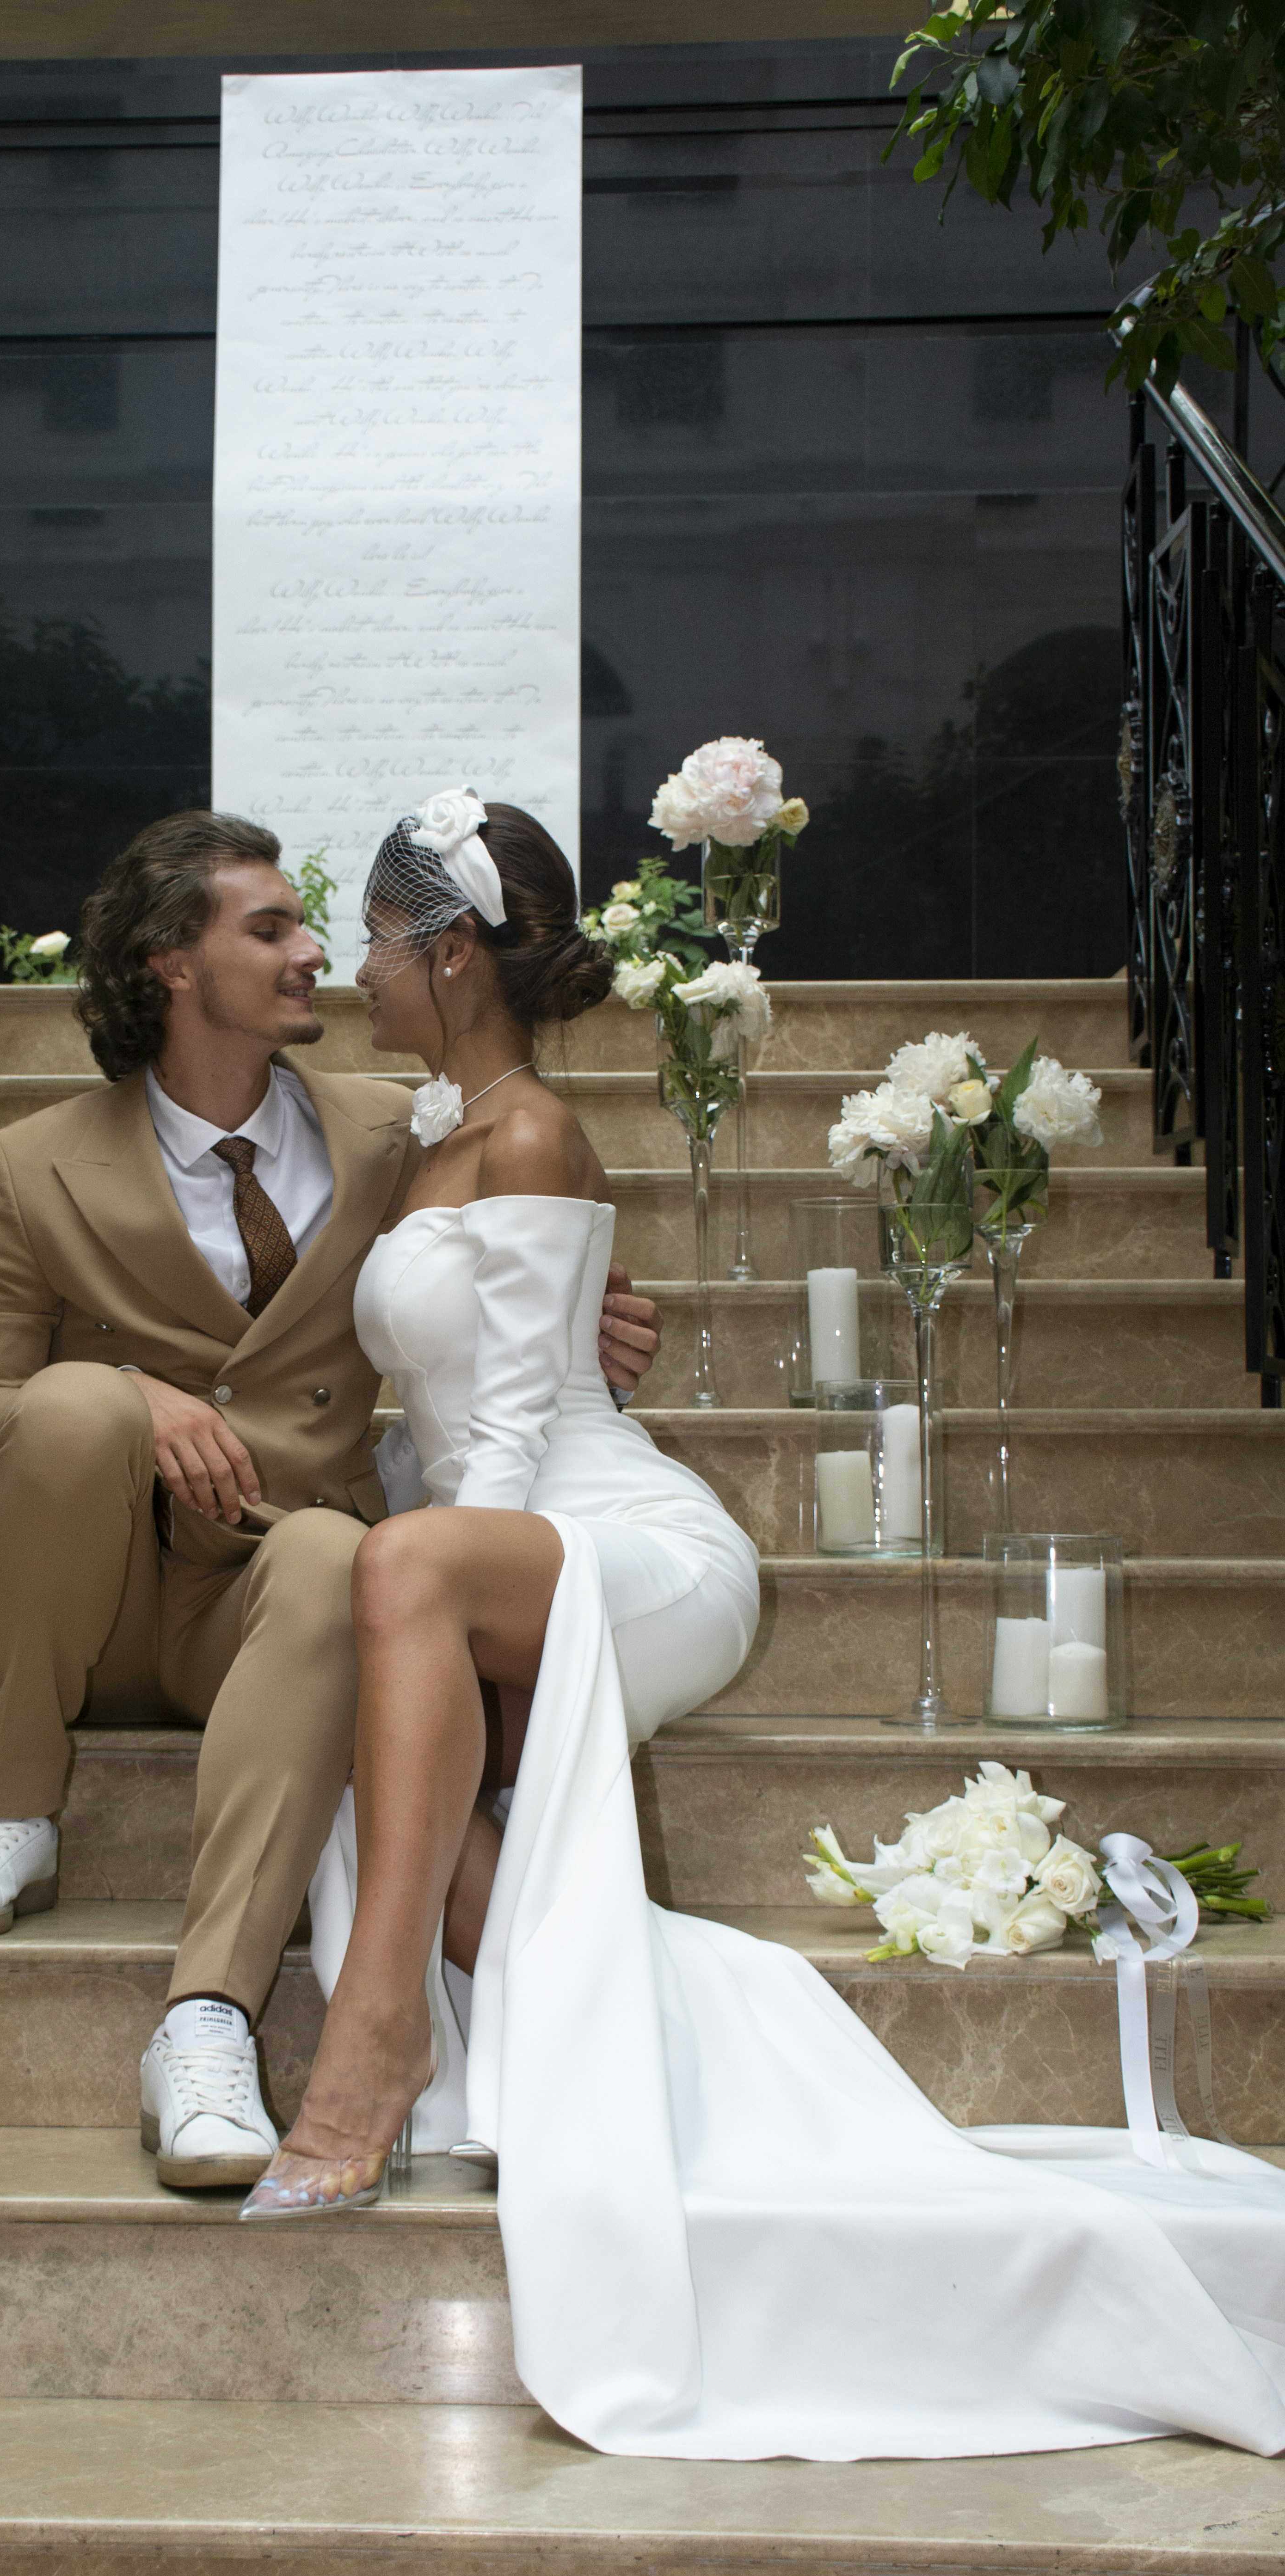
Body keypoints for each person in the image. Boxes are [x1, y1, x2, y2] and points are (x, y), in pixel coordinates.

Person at [240, 784, 1285, 2471]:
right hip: (482, 1535)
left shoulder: (525, 1137)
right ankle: (672, 2022)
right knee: (380, 1699)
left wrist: (421, 1583)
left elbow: (500, 1447)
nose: (355, 965)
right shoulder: (422, 1134)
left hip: (623, 1538)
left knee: (401, 1599)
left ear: (449, 949)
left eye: (370, 934)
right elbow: (421, 1413)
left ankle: (372, 2043)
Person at [0, 807, 662, 2192]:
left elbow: (492, 1287)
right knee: (74, 1401)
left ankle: (204, 2023)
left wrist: (584, 1337)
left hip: (272, 1608)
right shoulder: (34, 1160)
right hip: (110, 1596)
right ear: (169, 966)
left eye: (325, 929)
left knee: (334, 1553)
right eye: (271, 929)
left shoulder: (395, 1132)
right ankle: (9, 1806)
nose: (315, 953)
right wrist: (139, 1397)